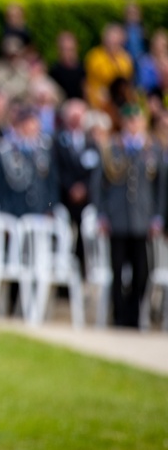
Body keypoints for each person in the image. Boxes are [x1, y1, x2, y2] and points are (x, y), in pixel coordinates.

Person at [91, 104, 164, 328]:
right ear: (123, 123)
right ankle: (120, 316)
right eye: (129, 121)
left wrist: (158, 217)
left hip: (142, 219)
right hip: (118, 218)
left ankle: (134, 313)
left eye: (137, 120)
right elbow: (98, 184)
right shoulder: (112, 147)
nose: (133, 125)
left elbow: (160, 187)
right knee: (117, 269)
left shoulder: (153, 149)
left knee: (142, 272)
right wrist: (101, 214)